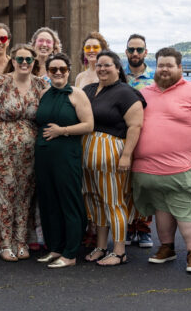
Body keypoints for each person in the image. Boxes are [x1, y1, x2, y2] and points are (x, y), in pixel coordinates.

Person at [132, 48, 191, 274]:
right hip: (149, 169)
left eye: (169, 65)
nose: (164, 69)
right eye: (161, 65)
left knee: (187, 211)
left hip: (182, 166)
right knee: (161, 210)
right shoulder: (146, 93)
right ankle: (166, 248)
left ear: (180, 67)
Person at [0, 43, 48, 261]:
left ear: (34, 62)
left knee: (25, 195)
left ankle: (21, 241)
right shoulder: (2, 82)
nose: (24, 63)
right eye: (20, 59)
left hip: (29, 151)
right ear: (13, 61)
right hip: (2, 149)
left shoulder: (39, 86)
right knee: (4, 194)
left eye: (28, 59)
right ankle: (5, 243)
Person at [82, 50, 145, 266]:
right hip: (88, 155)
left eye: (107, 65)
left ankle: (119, 251)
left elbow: (135, 126)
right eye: (99, 65)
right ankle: (101, 246)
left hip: (111, 153)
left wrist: (126, 155)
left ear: (117, 68)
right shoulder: (89, 90)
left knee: (114, 202)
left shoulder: (126, 92)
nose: (102, 69)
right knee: (96, 202)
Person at [34, 52, 94, 268]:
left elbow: (89, 125)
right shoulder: (43, 94)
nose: (58, 73)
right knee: (49, 202)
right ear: (48, 72)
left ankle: (70, 253)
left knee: (69, 201)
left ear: (69, 71)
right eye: (53, 70)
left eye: (62, 69)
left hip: (66, 155)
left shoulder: (77, 94)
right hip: (43, 155)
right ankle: (55, 247)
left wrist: (63, 130)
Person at [123, 33, 155, 248]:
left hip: (147, 136)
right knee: (124, 184)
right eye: (131, 49)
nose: (135, 53)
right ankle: (126, 226)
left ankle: (143, 228)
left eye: (139, 49)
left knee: (145, 185)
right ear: (126, 52)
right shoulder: (118, 77)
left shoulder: (155, 79)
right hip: (122, 135)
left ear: (145, 52)